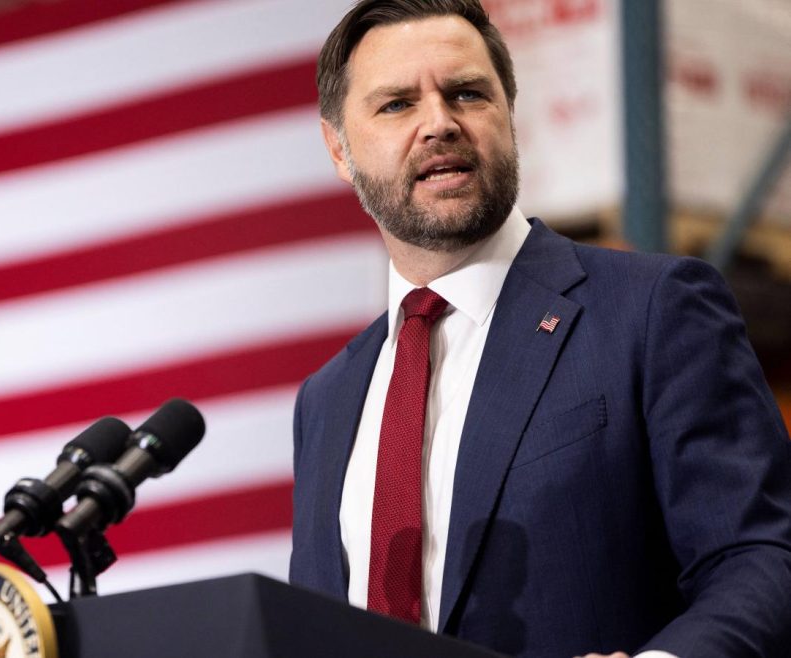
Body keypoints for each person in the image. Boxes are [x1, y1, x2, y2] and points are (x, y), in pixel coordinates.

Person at [288, 2, 791, 657]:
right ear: (339, 149)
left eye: (467, 94)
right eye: (397, 104)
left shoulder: (653, 309)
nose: (439, 123)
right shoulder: (325, 400)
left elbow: (761, 555)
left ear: (509, 113)